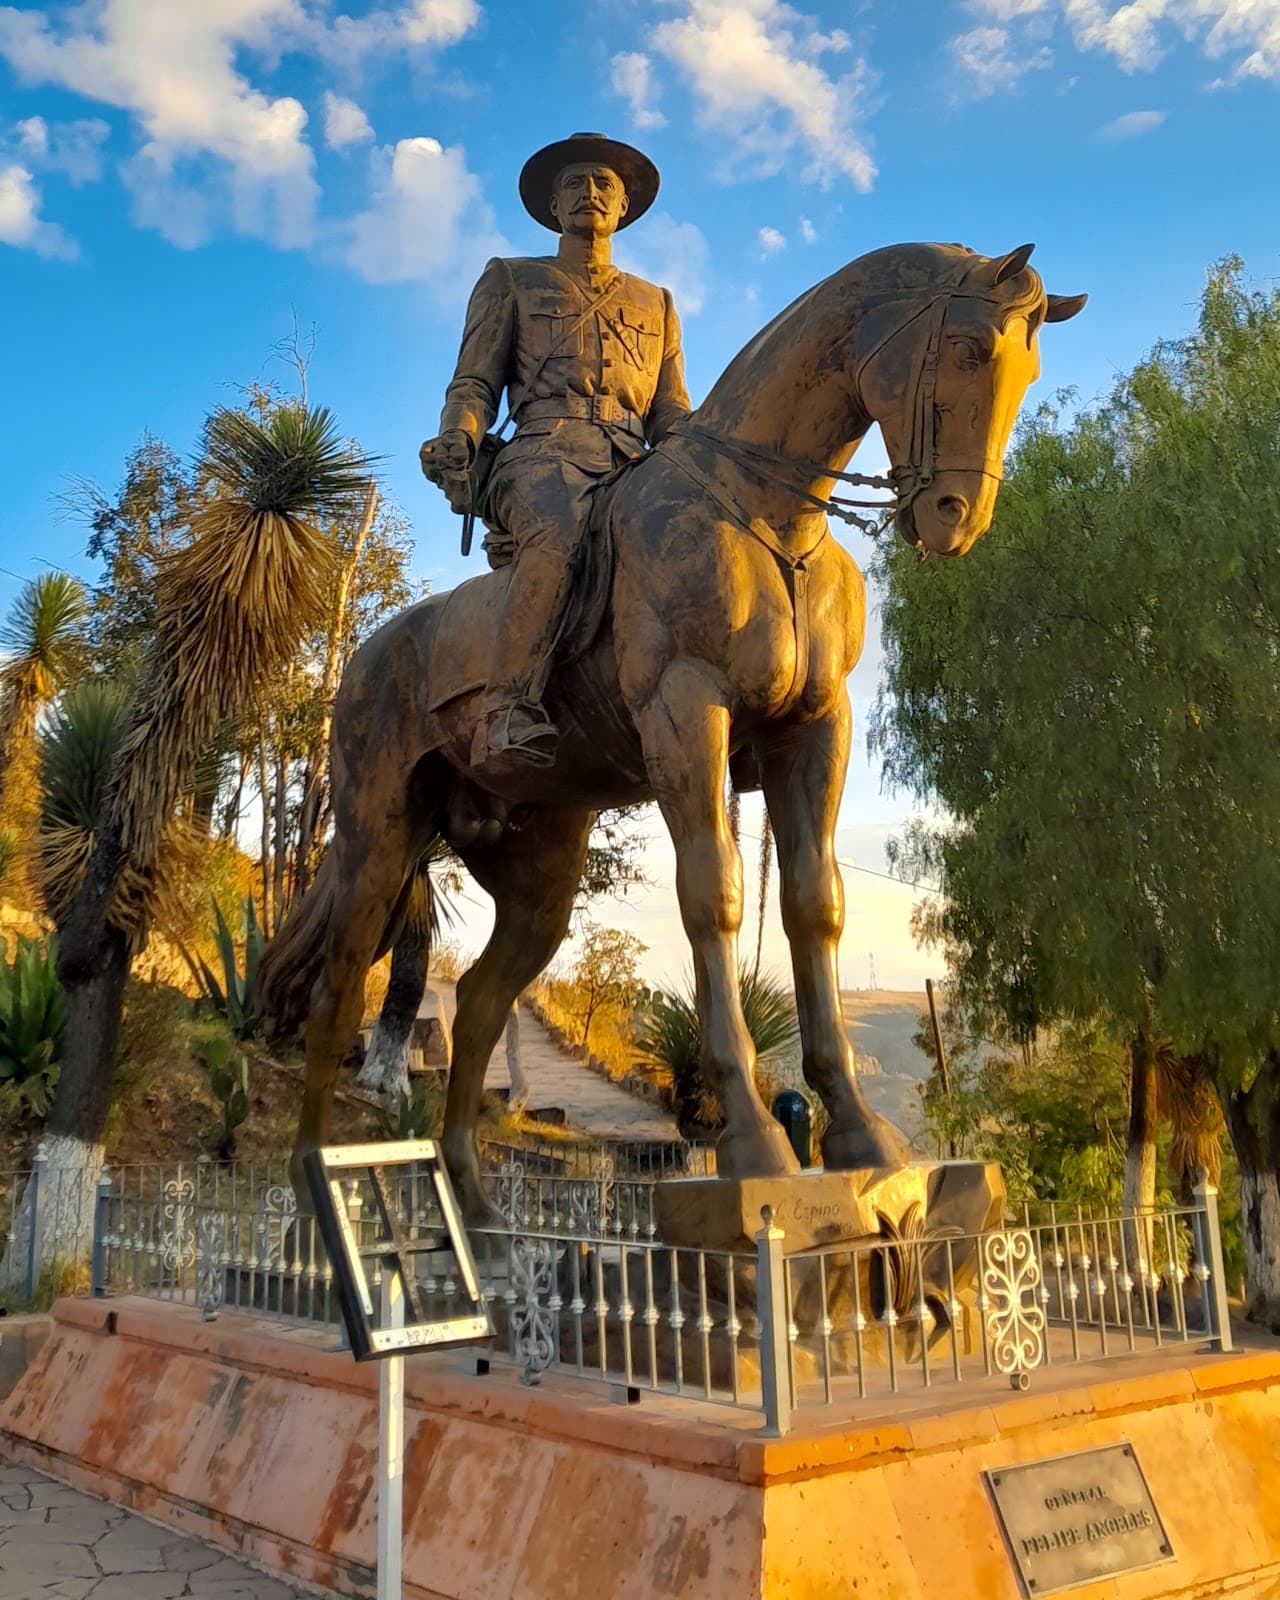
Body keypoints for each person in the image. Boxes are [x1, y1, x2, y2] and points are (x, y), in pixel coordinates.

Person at [420, 132, 691, 771]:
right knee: (558, 534)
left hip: (632, 460)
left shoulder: (657, 302)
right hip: (541, 454)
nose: (589, 194)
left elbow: (670, 411)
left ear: (623, 207)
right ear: (553, 205)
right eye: (575, 184)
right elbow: (475, 382)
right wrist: (459, 432)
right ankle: (505, 710)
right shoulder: (512, 279)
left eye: (603, 185)